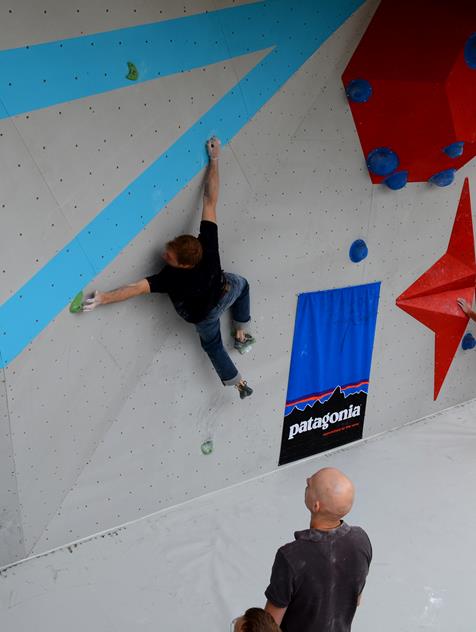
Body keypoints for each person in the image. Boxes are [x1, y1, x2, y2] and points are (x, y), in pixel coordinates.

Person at [82, 137, 255, 399]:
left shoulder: (173, 280)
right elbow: (210, 199)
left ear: (184, 265)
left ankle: (238, 382)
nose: (165, 254)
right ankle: (241, 333)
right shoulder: (207, 244)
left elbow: (136, 288)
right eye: (170, 249)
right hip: (221, 291)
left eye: (170, 258)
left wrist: (104, 299)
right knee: (241, 286)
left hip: (201, 312)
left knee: (212, 344)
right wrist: (215, 159)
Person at [264, 467, 372, 632]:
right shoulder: (361, 539)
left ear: (316, 506)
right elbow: (356, 598)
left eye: (310, 484)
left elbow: (269, 625)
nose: (307, 480)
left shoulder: (290, 556)